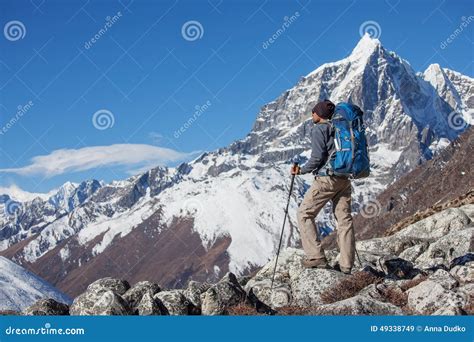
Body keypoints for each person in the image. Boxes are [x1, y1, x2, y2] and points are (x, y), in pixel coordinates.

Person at [291, 99, 355, 274]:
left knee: (304, 213)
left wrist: (301, 170)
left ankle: (316, 256)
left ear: (318, 114)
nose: (311, 114)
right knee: (344, 221)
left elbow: (317, 158)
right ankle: (346, 265)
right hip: (344, 178)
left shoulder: (320, 129)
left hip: (327, 179)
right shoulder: (341, 128)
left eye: (313, 111)